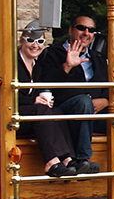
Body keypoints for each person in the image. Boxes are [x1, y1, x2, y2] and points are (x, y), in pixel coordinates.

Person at [37, 14, 114, 173]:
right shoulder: (52, 53)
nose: (86, 33)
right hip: (69, 113)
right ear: (70, 30)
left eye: (91, 30)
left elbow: (113, 89)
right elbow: (45, 84)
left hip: (97, 114)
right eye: (81, 28)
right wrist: (66, 67)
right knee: (84, 101)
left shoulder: (98, 57)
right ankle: (83, 160)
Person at [16, 20, 77, 177]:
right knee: (40, 110)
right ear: (22, 40)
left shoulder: (37, 65)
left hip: (30, 114)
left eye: (40, 41)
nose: (35, 45)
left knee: (56, 112)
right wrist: (35, 101)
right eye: (31, 40)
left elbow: (50, 81)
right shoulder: (12, 63)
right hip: (11, 114)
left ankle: (67, 158)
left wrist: (67, 67)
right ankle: (51, 162)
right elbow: (9, 95)